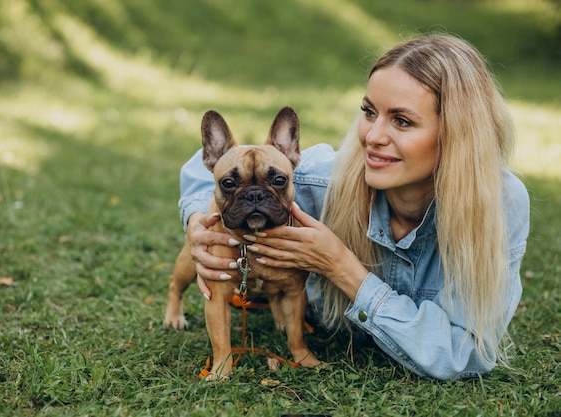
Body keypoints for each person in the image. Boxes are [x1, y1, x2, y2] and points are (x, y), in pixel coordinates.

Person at [177, 33, 530, 381]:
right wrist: (197, 218)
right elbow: (207, 165)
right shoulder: (322, 179)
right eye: (369, 112)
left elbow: (462, 354)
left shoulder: (497, 206)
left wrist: (342, 267)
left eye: (402, 121)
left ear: (457, 133)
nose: (373, 136)